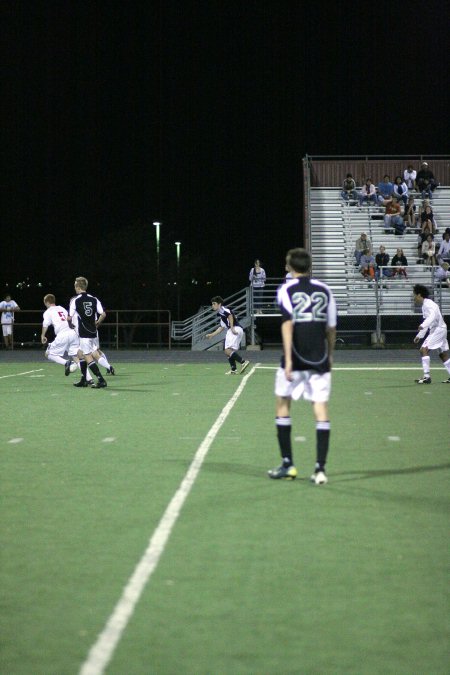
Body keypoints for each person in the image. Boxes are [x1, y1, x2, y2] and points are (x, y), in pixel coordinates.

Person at [268, 248, 337, 484]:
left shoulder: (285, 289)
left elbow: (287, 325)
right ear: (309, 266)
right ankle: (320, 469)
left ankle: (288, 464)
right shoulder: (325, 290)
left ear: (289, 267)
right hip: (319, 358)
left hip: (295, 357)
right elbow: (330, 329)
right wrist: (330, 357)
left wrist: (288, 360)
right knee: (321, 410)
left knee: (282, 405)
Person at [68, 276, 108, 388]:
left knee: (87, 356)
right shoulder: (94, 298)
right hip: (93, 332)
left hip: (84, 333)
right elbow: (103, 314)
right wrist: (97, 322)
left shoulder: (75, 300)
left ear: (77, 286)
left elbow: (69, 318)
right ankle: (84, 379)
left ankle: (101, 379)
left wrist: (71, 326)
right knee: (80, 353)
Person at [413, 284, 450, 384]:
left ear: (419, 295)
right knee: (442, 354)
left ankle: (427, 377)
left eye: (414, 295)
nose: (413, 297)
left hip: (438, 329)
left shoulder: (428, 304)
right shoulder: (425, 305)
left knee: (423, 350)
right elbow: (427, 324)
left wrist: (423, 325)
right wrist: (419, 336)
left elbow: (432, 316)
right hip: (438, 329)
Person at [205, 296, 250, 375]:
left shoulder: (223, 310)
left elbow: (230, 315)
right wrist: (212, 335)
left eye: (214, 304)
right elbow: (221, 328)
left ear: (219, 304)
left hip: (235, 329)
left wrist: (232, 328)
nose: (212, 305)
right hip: (238, 330)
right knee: (228, 351)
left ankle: (243, 362)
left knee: (227, 350)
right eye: (212, 304)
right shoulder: (221, 314)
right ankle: (233, 369)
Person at [40, 294, 80, 374]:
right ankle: (88, 378)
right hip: (72, 333)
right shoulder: (62, 308)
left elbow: (45, 324)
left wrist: (42, 335)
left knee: (48, 354)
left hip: (63, 335)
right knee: (76, 356)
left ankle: (67, 363)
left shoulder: (48, 312)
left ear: (47, 302)